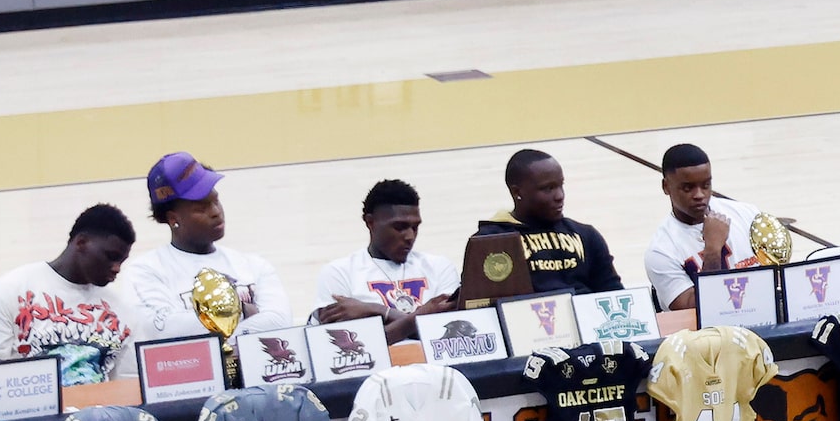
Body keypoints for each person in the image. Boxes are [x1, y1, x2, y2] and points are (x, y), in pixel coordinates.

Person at [120, 152, 294, 337]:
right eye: (201, 208)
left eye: (216, 200)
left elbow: (280, 323)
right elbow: (162, 332)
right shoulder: (146, 272)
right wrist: (242, 310)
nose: (216, 212)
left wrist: (210, 326)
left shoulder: (254, 265)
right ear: (173, 218)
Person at [0, 205, 143, 385]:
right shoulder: (9, 290)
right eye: (111, 256)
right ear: (81, 243)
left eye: (122, 261)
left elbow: (128, 386)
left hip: (101, 410)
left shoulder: (123, 312)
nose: (117, 268)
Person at [473, 148, 624, 295]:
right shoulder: (490, 240)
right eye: (548, 188)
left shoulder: (586, 235)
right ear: (517, 192)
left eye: (560, 185)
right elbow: (479, 300)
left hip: (585, 316)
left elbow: (612, 293)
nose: (560, 195)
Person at [313, 179, 455, 331]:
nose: (410, 236)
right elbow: (352, 344)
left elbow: (447, 331)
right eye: (399, 227)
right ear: (370, 222)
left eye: (415, 227)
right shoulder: (339, 273)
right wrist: (423, 317)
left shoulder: (440, 267)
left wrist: (375, 310)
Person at [641, 145, 755, 312]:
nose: (699, 195)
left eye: (706, 185)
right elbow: (695, 311)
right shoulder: (660, 252)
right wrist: (713, 250)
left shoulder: (747, 214)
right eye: (688, 188)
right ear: (666, 187)